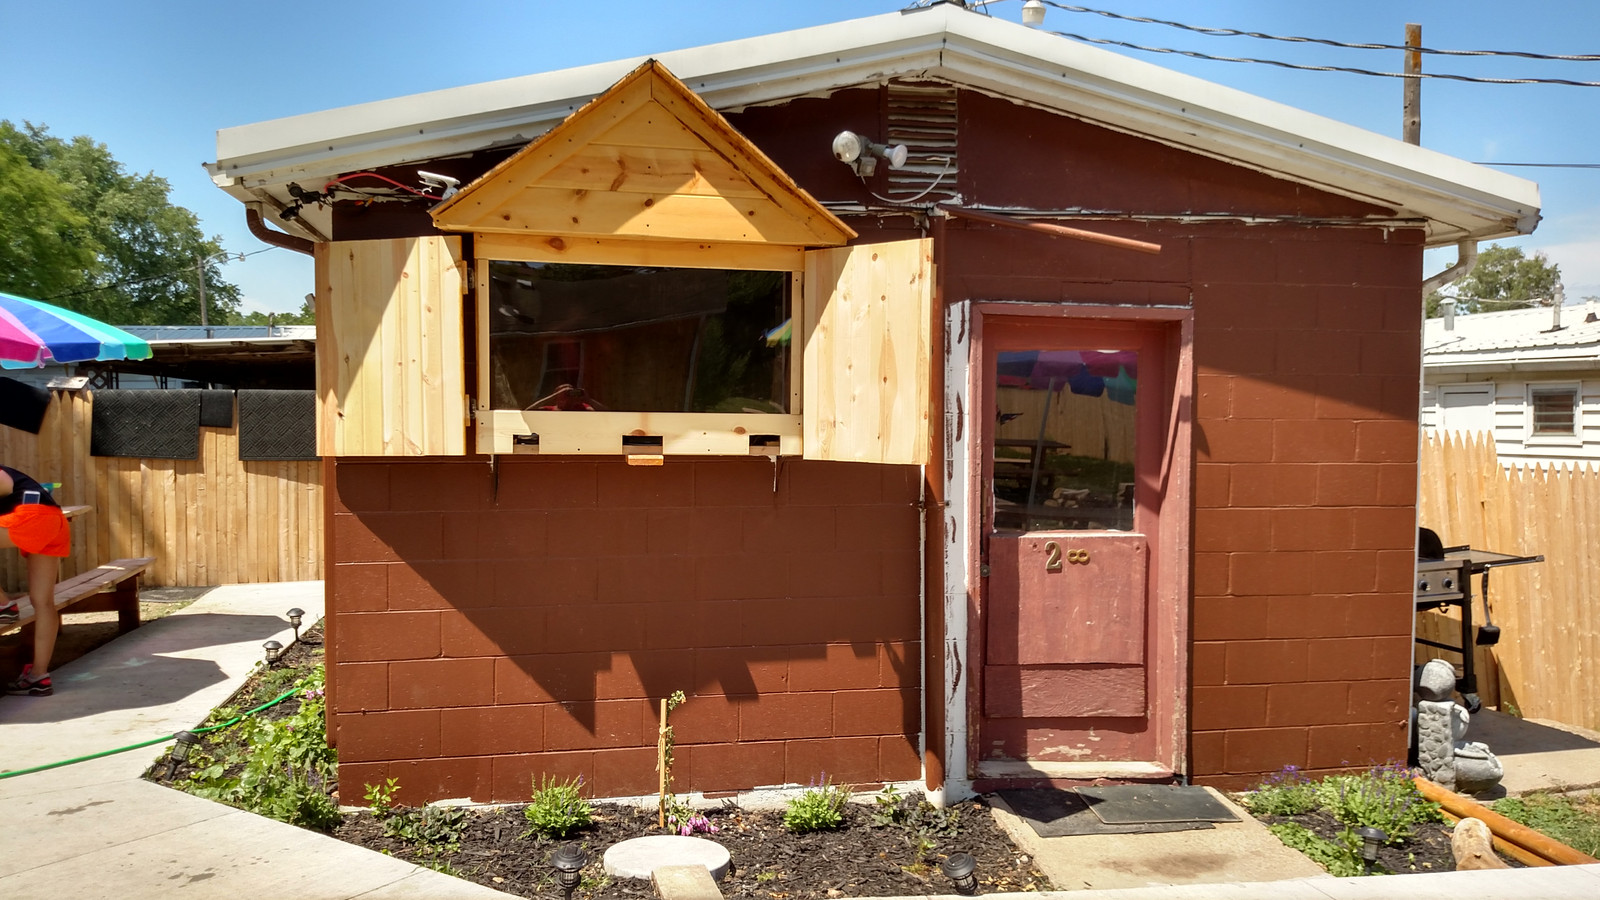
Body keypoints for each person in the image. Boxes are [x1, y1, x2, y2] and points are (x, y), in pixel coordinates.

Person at [0, 465, 70, 696]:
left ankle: (3, 605)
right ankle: (38, 676)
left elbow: (2, 483)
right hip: (54, 521)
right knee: (43, 601)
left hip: (32, 517)